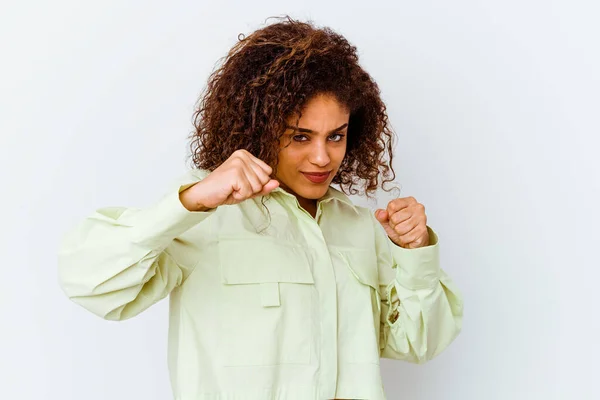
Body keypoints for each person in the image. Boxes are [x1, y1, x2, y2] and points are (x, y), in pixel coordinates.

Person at [57, 16, 463, 400]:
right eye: (300, 137)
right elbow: (91, 283)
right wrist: (192, 199)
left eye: (335, 136)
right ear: (259, 128)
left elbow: (419, 342)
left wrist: (415, 251)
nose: (323, 157)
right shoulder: (207, 216)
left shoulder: (357, 225)